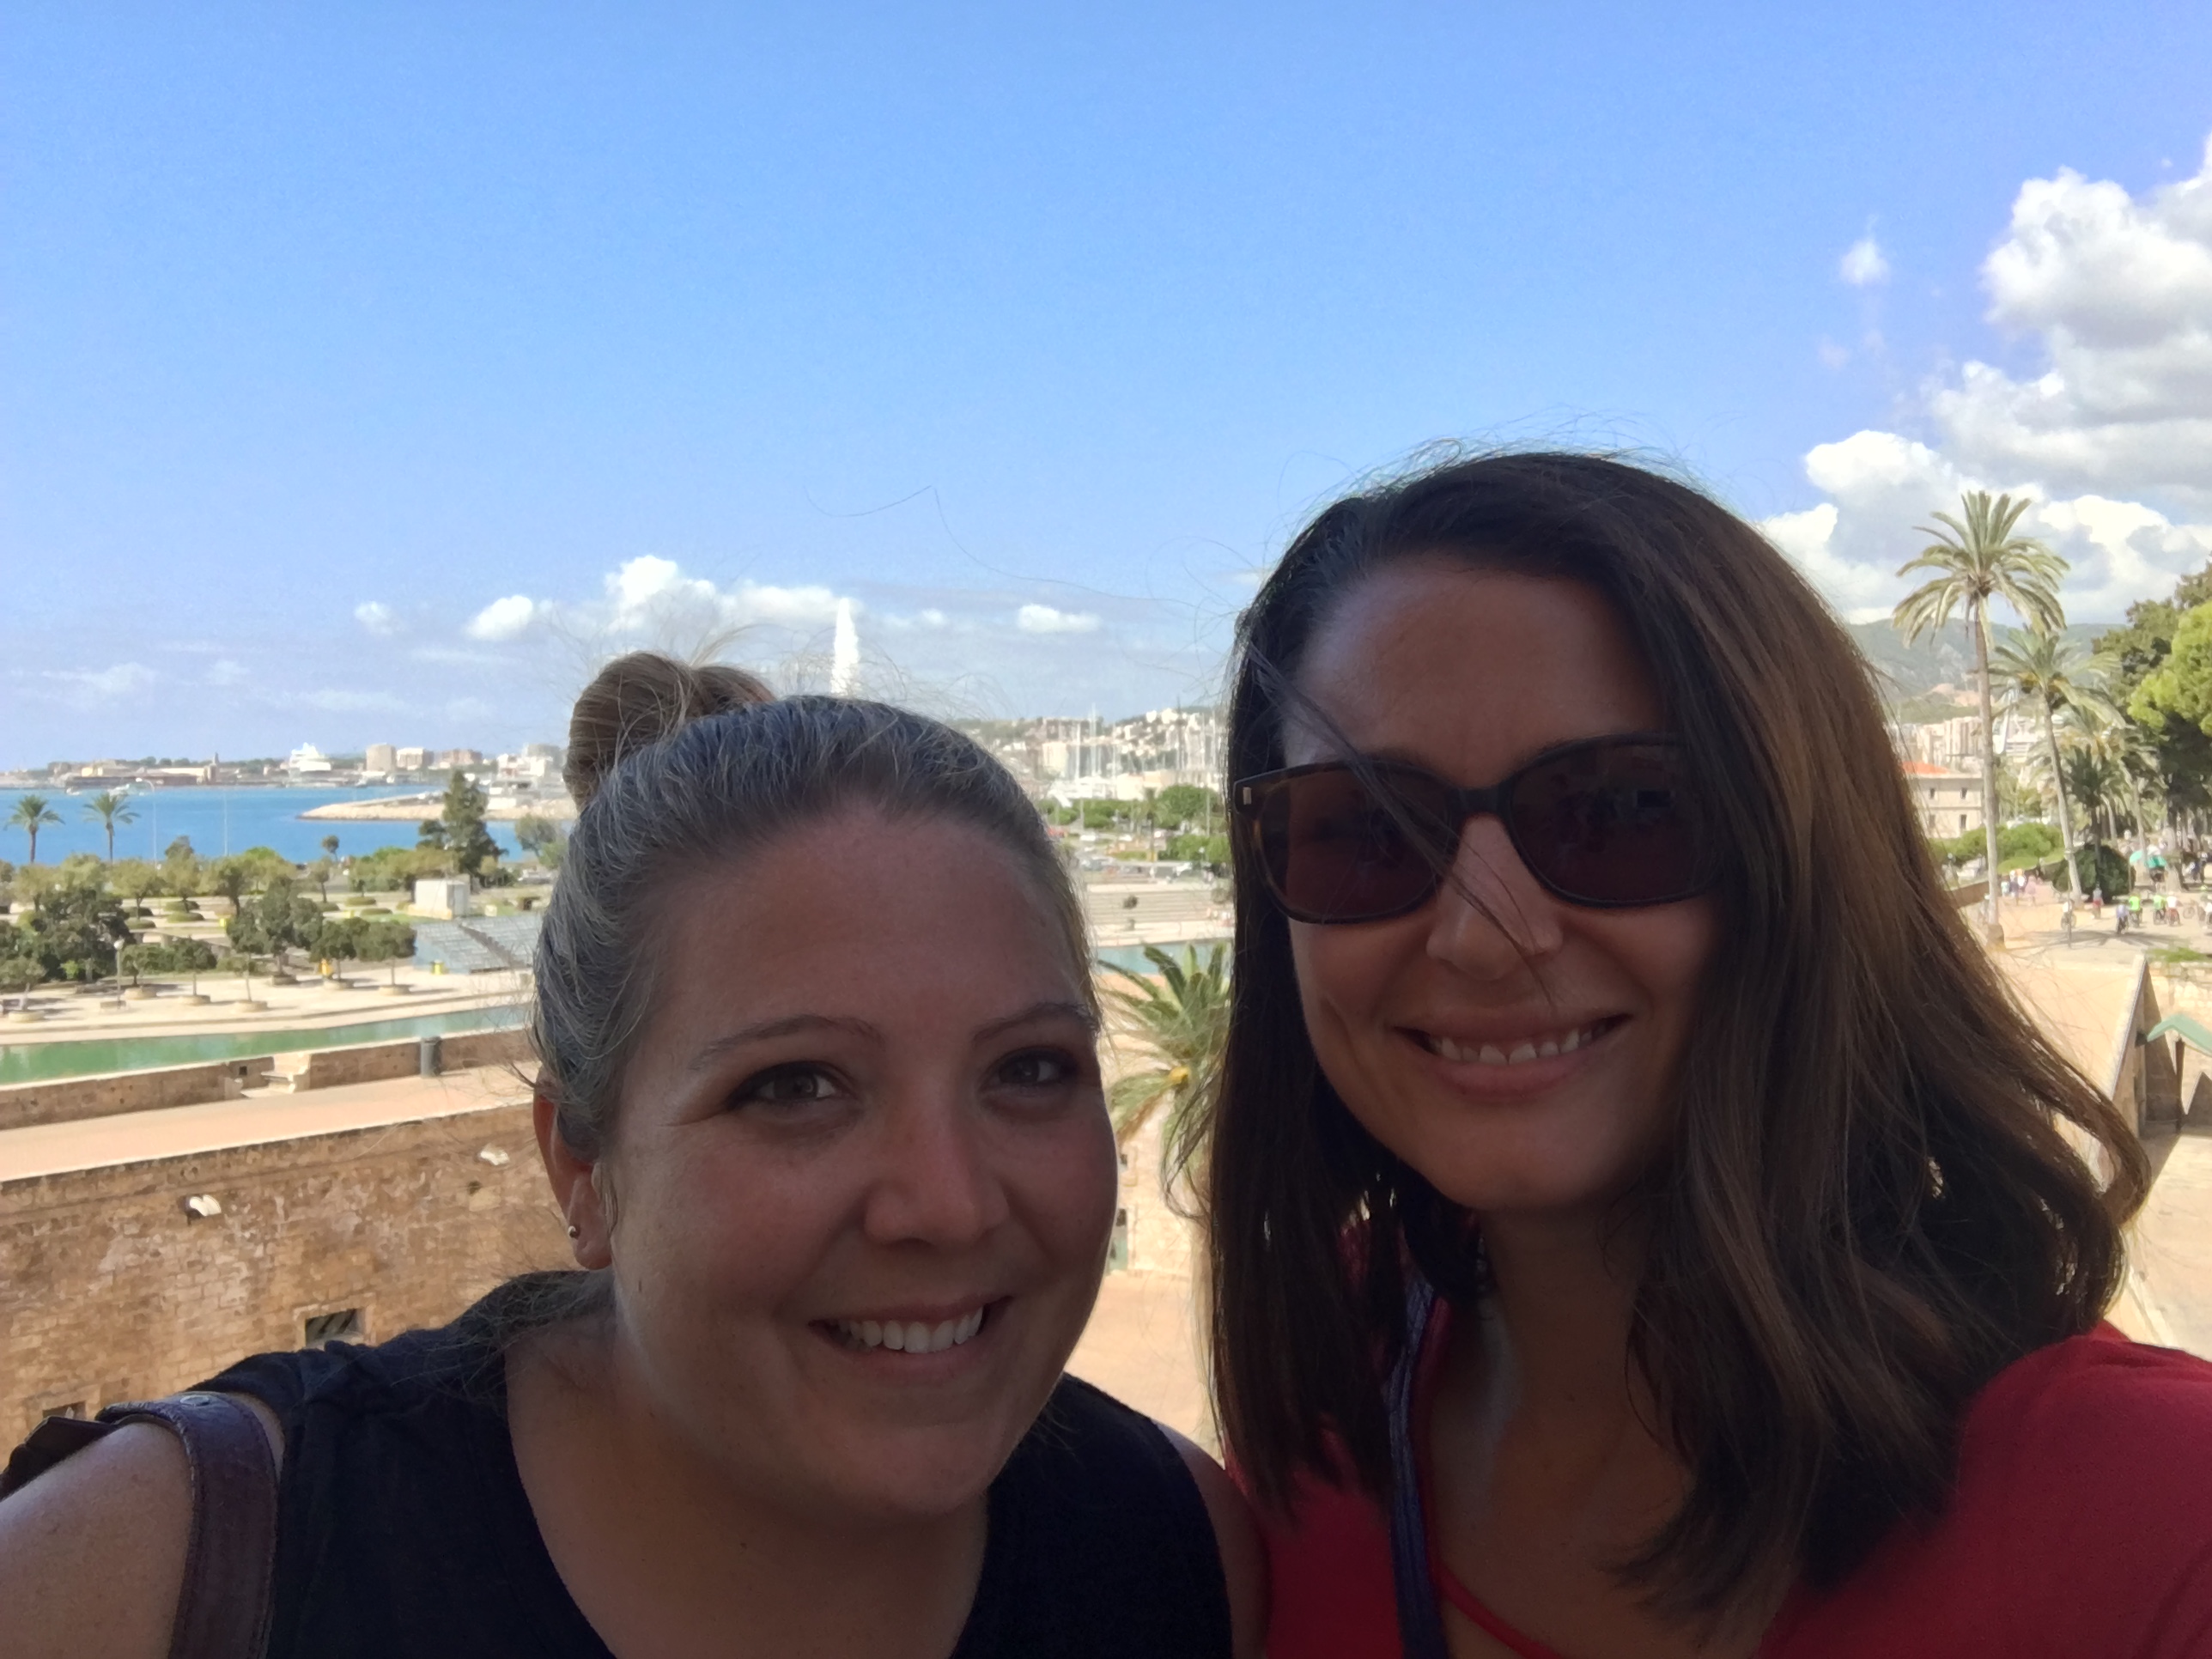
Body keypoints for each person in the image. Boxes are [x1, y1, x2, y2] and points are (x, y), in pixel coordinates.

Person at [0, 653, 1263, 1659]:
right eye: (796, 1087)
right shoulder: (147, 1573)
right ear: (581, 1168)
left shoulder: (1179, 1560)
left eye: (1030, 1069)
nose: (948, 1201)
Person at [1200, 452, 2212, 1658]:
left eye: (1621, 813)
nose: (1482, 935)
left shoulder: (2154, 1522)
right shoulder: (1331, 1394)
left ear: (1806, 864)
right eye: (1364, 830)